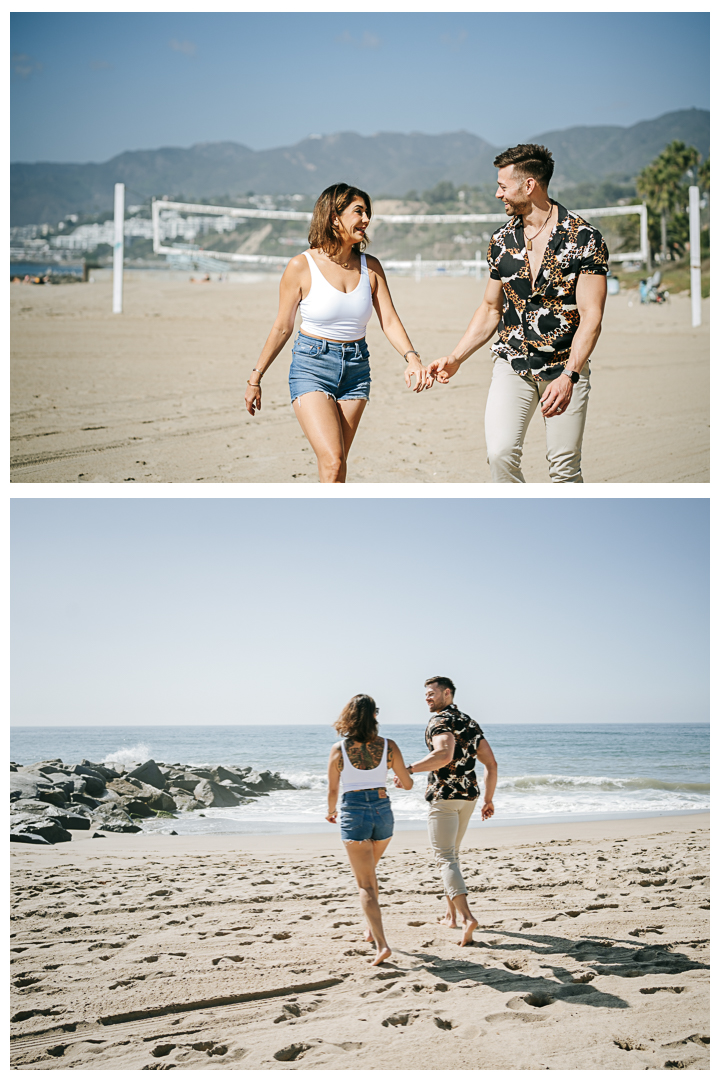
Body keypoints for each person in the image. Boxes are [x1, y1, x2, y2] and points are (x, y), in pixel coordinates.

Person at [429, 144, 609, 483]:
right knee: (499, 455)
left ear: (529, 185)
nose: (498, 194)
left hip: (564, 368)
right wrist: (456, 357)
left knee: (564, 469)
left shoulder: (585, 238)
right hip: (512, 363)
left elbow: (592, 316)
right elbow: (490, 308)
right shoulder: (501, 241)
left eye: (503, 185)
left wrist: (570, 375)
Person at [244, 183, 433, 483]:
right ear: (334, 217)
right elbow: (282, 326)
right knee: (332, 460)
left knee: (337, 464)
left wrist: (412, 358)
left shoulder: (370, 268)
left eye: (368, 212)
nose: (367, 219)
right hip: (312, 366)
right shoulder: (300, 266)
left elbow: (390, 321)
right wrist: (256, 378)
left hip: (356, 371)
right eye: (358, 211)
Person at [395, 676, 497, 946]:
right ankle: (450, 917)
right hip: (469, 798)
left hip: (445, 796)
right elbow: (492, 763)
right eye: (426, 694)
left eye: (432, 693)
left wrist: (408, 769)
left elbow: (444, 755)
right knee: (452, 856)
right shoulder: (468, 721)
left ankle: (466, 918)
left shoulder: (440, 721)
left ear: (447, 694)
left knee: (445, 858)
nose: (427, 698)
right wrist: (488, 799)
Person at [326, 693, 414, 964]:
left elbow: (332, 788)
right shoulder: (389, 746)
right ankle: (370, 928)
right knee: (370, 875)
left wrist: (331, 812)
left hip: (354, 812)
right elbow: (408, 784)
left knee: (365, 885)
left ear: (348, 717)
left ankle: (382, 945)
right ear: (375, 715)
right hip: (382, 812)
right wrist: (398, 778)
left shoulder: (339, 749)